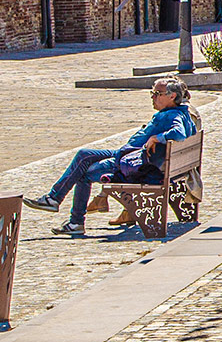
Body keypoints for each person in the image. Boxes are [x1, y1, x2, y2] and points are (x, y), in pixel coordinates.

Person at [26, 77, 199, 237]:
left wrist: (156, 138)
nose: (153, 98)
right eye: (152, 93)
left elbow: (179, 133)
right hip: (132, 157)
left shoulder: (172, 115)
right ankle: (55, 201)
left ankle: (72, 218)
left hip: (135, 165)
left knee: (85, 171)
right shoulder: (180, 113)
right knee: (84, 155)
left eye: (157, 94)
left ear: (172, 96)